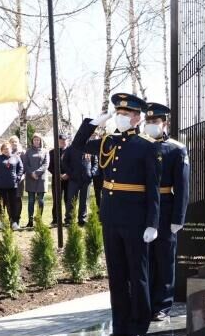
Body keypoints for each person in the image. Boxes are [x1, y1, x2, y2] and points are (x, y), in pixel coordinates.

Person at [73, 92, 161, 336]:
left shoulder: (147, 146)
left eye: (125, 114)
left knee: (138, 273)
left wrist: (152, 223)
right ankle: (120, 324)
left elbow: (153, 188)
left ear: (136, 118)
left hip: (136, 219)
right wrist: (94, 123)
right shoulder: (108, 141)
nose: (120, 117)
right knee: (117, 275)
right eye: (118, 113)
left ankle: (140, 324)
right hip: (111, 218)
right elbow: (77, 146)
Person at [144, 103, 190, 321]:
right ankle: (144, 301)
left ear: (165, 123)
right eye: (148, 121)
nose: (151, 125)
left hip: (165, 207)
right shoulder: (140, 146)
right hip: (141, 208)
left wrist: (178, 218)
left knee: (164, 258)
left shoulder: (176, 148)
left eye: (155, 122)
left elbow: (182, 187)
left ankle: (162, 305)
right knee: (144, 258)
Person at [62, 142, 96, 226]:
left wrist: (92, 173)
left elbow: (95, 163)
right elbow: (64, 162)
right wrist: (70, 173)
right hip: (74, 179)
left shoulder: (90, 147)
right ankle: (69, 220)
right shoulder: (71, 148)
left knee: (84, 200)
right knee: (71, 200)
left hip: (86, 179)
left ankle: (82, 219)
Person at [0, 143, 24, 230]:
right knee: (2, 204)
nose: (6, 150)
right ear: (2, 150)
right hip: (2, 185)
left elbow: (21, 168)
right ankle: (2, 222)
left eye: (8, 148)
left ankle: (14, 222)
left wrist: (18, 177)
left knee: (13, 204)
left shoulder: (16, 157)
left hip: (13, 185)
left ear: (11, 149)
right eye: (4, 149)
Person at [23, 134, 49, 228]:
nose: (36, 141)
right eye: (35, 140)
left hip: (41, 179)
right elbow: (25, 164)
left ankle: (39, 220)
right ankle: (30, 221)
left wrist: (37, 173)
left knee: (41, 200)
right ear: (32, 141)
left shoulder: (45, 151)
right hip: (30, 179)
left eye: (38, 140)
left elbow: (46, 164)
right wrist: (31, 173)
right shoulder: (28, 152)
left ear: (41, 141)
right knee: (31, 200)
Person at [49, 134, 70, 227]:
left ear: (67, 141)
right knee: (56, 200)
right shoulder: (52, 152)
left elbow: (74, 164)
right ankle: (56, 219)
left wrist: (68, 174)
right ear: (58, 141)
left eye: (64, 140)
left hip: (69, 179)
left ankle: (68, 219)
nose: (63, 142)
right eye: (61, 141)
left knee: (68, 200)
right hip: (56, 180)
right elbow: (50, 167)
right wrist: (59, 174)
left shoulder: (71, 151)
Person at [9, 135, 25, 227]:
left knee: (18, 200)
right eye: (12, 142)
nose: (14, 143)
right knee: (10, 200)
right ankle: (11, 219)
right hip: (9, 181)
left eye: (16, 142)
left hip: (19, 180)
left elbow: (24, 166)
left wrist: (21, 176)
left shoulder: (22, 153)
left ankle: (17, 220)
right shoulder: (7, 153)